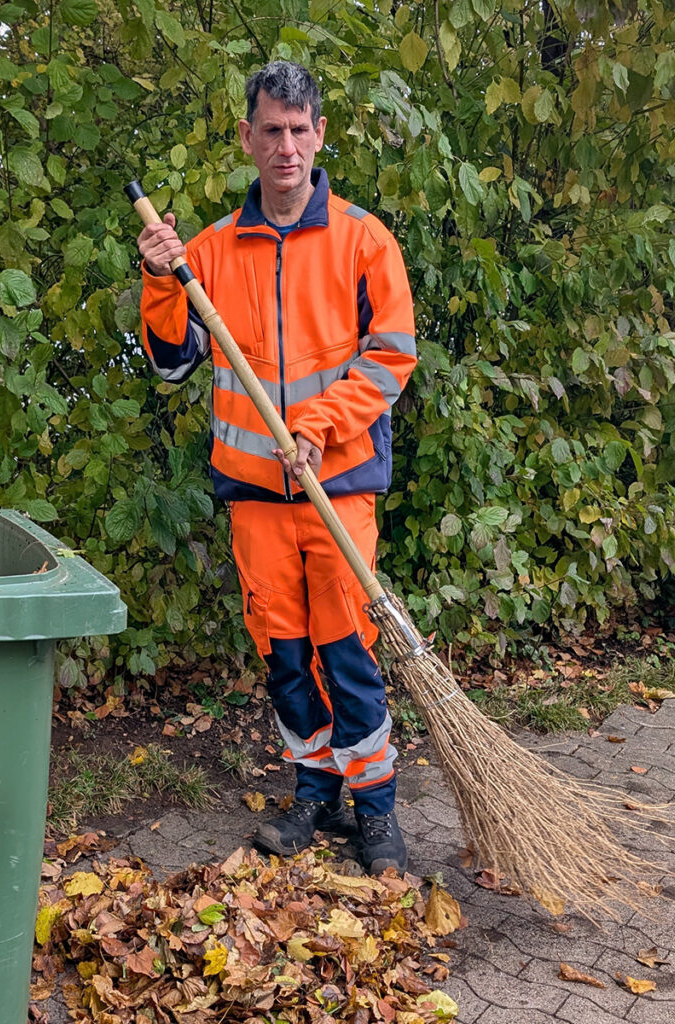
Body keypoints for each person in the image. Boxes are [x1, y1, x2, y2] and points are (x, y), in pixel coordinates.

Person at [136, 61, 416, 873]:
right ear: (247, 138)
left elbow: (392, 356)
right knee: (286, 655)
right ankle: (314, 794)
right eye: (271, 130)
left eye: (300, 130)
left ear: (319, 135)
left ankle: (377, 811)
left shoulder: (365, 239)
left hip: (338, 489)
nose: (286, 146)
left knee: (349, 653)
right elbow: (171, 362)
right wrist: (160, 279)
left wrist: (319, 426)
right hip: (255, 495)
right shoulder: (210, 250)